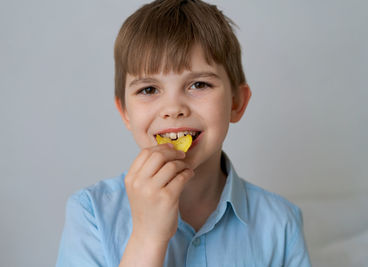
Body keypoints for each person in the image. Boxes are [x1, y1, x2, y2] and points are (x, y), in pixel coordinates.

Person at [56, 0, 311, 266]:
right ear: (125, 113)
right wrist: (147, 237)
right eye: (149, 90)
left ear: (237, 103)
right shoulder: (91, 214)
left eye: (199, 84)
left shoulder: (282, 223)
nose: (173, 108)